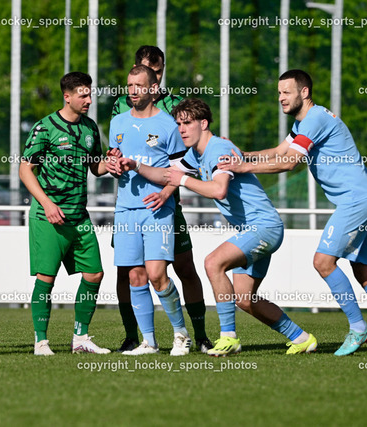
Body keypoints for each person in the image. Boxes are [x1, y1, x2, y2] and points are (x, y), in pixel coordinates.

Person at [219, 69, 367, 356]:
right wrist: (243, 155)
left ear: (304, 92)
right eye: (279, 93)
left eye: (287, 92)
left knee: (323, 262)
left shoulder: (314, 119)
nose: (281, 98)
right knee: (366, 272)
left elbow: (289, 163)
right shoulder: (303, 124)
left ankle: (358, 327)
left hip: (356, 201)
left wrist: (244, 167)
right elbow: (279, 151)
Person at [120, 98, 317, 355]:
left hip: (264, 227)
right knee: (245, 300)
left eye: (187, 123)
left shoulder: (219, 148)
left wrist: (183, 181)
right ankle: (302, 338)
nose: (181, 129)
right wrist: (136, 166)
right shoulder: (195, 154)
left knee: (213, 263)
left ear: (203, 124)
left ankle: (228, 338)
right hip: (253, 230)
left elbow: (219, 189)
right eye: (178, 124)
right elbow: (168, 175)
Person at [111, 46, 211, 353]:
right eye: (130, 85)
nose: (133, 91)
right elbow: (114, 156)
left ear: (154, 86)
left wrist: (167, 191)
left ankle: (186, 334)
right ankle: (147, 341)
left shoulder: (170, 121)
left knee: (161, 272)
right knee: (134, 275)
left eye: (140, 85)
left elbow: (184, 165)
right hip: (125, 208)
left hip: (159, 208)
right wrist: (112, 163)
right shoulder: (117, 119)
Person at [20, 71, 115, 356]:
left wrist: (110, 163)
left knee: (95, 274)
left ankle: (81, 338)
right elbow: (25, 170)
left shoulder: (90, 128)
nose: (89, 100)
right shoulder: (45, 127)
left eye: (90, 94)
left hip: (78, 216)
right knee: (46, 278)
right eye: (83, 95)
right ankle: (41, 342)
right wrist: (47, 204)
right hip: (48, 217)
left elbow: (96, 167)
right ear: (67, 96)